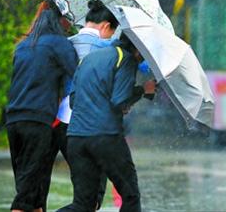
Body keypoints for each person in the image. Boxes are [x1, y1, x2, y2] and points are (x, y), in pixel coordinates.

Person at [58, 34, 155, 212]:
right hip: (105, 137)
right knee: (130, 195)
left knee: (83, 204)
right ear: (137, 47)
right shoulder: (125, 58)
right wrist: (143, 90)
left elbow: (73, 100)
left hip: (76, 138)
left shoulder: (89, 58)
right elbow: (119, 100)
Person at [42, 0, 119, 210]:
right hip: (86, 125)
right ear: (105, 26)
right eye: (112, 31)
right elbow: (142, 64)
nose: (111, 36)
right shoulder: (108, 46)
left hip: (57, 122)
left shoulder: (64, 43)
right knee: (89, 197)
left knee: (42, 189)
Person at [5, 0, 78, 212]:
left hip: (14, 121)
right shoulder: (60, 44)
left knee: (31, 188)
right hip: (38, 122)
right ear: (60, 20)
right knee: (26, 197)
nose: (70, 24)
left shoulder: (23, 46)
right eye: (68, 19)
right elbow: (77, 76)